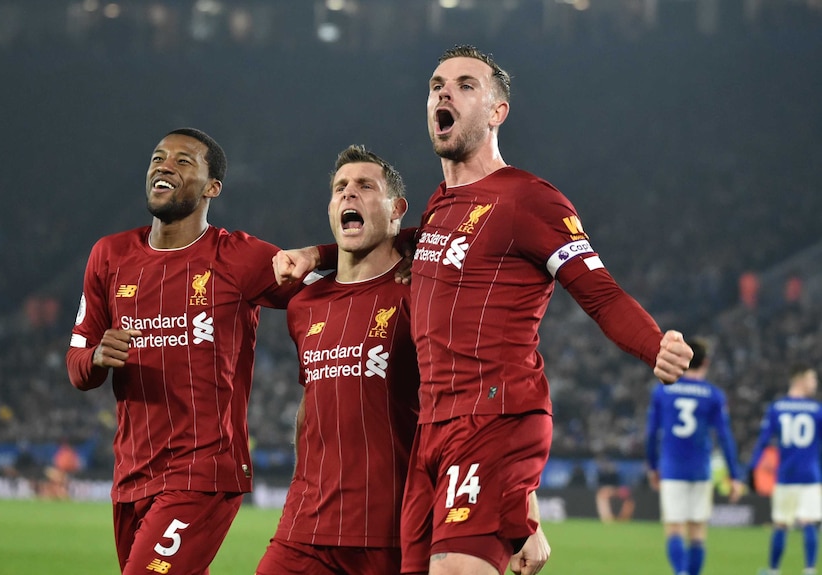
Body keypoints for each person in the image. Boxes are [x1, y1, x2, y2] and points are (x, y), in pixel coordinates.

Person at [272, 45, 694, 575]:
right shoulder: (439, 207)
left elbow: (600, 290)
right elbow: (387, 243)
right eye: (436, 85)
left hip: (494, 416)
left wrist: (653, 343)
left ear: (498, 113)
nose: (443, 92)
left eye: (465, 85)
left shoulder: (527, 199)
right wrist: (319, 254)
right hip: (432, 429)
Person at [65, 128, 299, 575]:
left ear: (213, 188)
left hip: (203, 472)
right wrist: (96, 357)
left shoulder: (238, 257)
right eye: (158, 157)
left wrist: (397, 254)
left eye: (184, 160)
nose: (164, 165)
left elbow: (326, 289)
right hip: (131, 476)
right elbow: (77, 367)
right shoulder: (109, 256)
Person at [255, 145, 420, 575]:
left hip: (390, 532)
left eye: (366, 186)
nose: (350, 194)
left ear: (396, 209)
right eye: (340, 188)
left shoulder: (420, 293)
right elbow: (311, 405)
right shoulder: (304, 304)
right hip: (304, 528)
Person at [645, 337, 743, 575]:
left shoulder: (663, 391)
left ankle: (680, 572)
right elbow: (725, 436)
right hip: (701, 469)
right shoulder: (714, 395)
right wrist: (734, 475)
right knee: (697, 532)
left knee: (675, 529)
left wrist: (652, 466)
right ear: (706, 362)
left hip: (671, 469)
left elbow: (651, 433)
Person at [749, 364, 822, 575]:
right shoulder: (817, 409)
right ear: (799, 379)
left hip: (786, 474)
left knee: (781, 523)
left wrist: (752, 468)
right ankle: (809, 569)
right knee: (809, 521)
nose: (815, 383)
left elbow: (763, 441)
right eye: (812, 378)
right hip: (810, 475)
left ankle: (773, 570)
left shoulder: (777, 407)